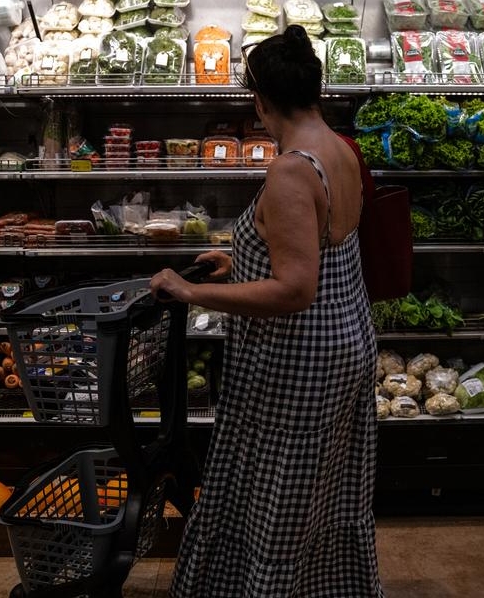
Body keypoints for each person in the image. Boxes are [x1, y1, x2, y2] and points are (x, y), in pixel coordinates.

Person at [150, 24, 383, 598]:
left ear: (258, 99)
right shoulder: (340, 149)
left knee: (275, 498)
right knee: (325, 495)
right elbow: (322, 250)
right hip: (345, 341)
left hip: (299, 361)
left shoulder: (289, 169)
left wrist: (189, 291)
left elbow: (294, 290)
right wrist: (240, 265)